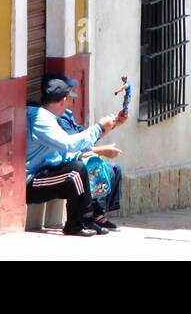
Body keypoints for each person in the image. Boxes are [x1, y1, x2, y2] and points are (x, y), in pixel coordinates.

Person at [26, 78, 126, 236]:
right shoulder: (41, 119)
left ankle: (87, 220)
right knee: (76, 172)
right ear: (63, 100)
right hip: (31, 182)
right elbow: (68, 144)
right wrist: (99, 128)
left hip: (43, 174)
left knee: (81, 165)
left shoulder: (49, 119)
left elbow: (66, 152)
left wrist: (88, 152)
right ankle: (76, 223)